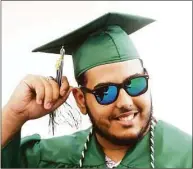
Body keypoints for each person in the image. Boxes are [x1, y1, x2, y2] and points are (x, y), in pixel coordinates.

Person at [2, 12, 192, 168]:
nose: (125, 102)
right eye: (106, 92)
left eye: (135, 84)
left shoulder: (185, 156)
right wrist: (13, 115)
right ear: (81, 100)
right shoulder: (50, 159)